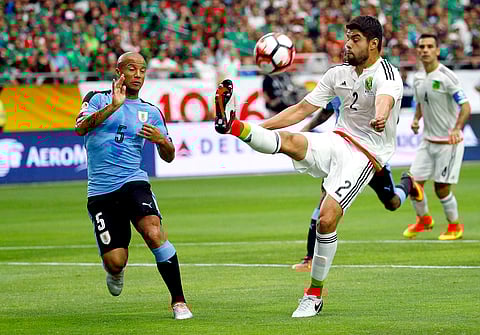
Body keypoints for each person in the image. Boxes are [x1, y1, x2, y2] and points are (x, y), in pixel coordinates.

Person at [215, 16, 403, 318]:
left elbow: (385, 100)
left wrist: (380, 116)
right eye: (347, 37)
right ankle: (236, 126)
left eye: (354, 39)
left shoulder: (388, 75)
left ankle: (314, 294)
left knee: (327, 220)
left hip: (366, 155)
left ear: (374, 44)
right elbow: (302, 110)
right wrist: (259, 127)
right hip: (338, 140)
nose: (347, 44)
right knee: (290, 140)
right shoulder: (337, 73)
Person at [74, 52, 193, 320]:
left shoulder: (150, 111)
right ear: (119, 72)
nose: (138, 75)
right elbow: (80, 128)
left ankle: (179, 302)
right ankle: (115, 270)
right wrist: (113, 107)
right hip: (101, 191)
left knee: (153, 232)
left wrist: (163, 141)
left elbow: (169, 155)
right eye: (132, 69)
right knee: (115, 261)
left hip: (133, 182)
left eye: (142, 70)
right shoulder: (96, 98)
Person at [292, 98, 423, 271]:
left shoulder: (378, 85)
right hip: (343, 154)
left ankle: (408, 183)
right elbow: (326, 111)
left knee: (392, 203)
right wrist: (305, 130)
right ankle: (309, 258)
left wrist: (382, 119)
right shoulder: (339, 82)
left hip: (371, 155)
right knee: (325, 201)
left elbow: (392, 116)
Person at [402, 34, 472, 240]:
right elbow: (421, 103)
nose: (425, 50)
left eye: (429, 46)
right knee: (413, 184)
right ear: (417, 50)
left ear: (437, 50)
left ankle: (455, 226)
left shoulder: (447, 76)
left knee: (441, 188)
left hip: (448, 144)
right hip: (428, 141)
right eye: (421, 46)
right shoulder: (417, 78)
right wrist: (416, 120)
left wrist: (457, 128)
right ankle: (424, 220)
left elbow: (466, 106)